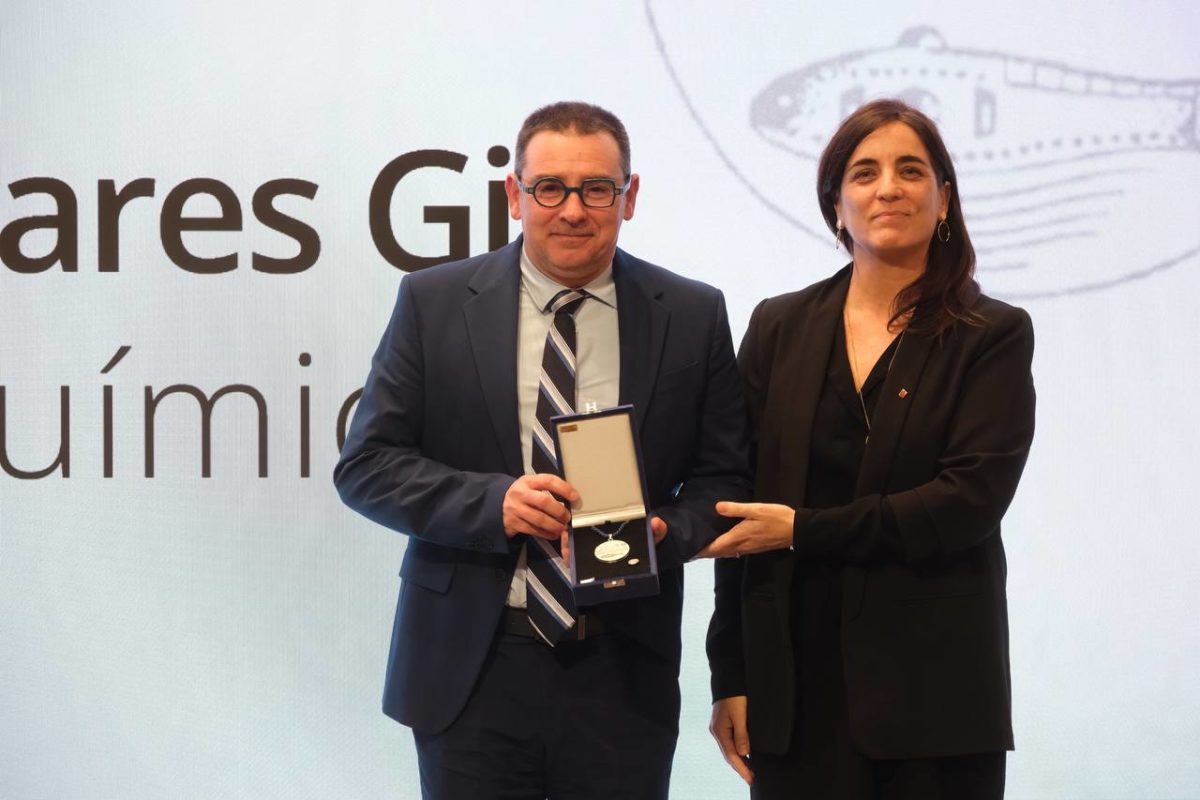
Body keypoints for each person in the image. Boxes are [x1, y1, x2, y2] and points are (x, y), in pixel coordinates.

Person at [334, 101, 751, 800]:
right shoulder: (433, 303)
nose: (573, 210)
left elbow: (724, 480)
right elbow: (367, 466)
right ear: (514, 196)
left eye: (597, 189)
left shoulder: (692, 313)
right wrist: (495, 502)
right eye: (550, 188)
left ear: (630, 197)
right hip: (472, 666)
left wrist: (664, 532)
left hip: (622, 669)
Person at [702, 98, 1036, 799]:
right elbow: (741, 509)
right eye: (865, 172)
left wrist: (802, 531)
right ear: (836, 206)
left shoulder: (991, 334)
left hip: (934, 703)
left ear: (944, 199)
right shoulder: (777, 327)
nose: (889, 187)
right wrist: (731, 676)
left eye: (911, 170)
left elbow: (965, 504)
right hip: (792, 693)